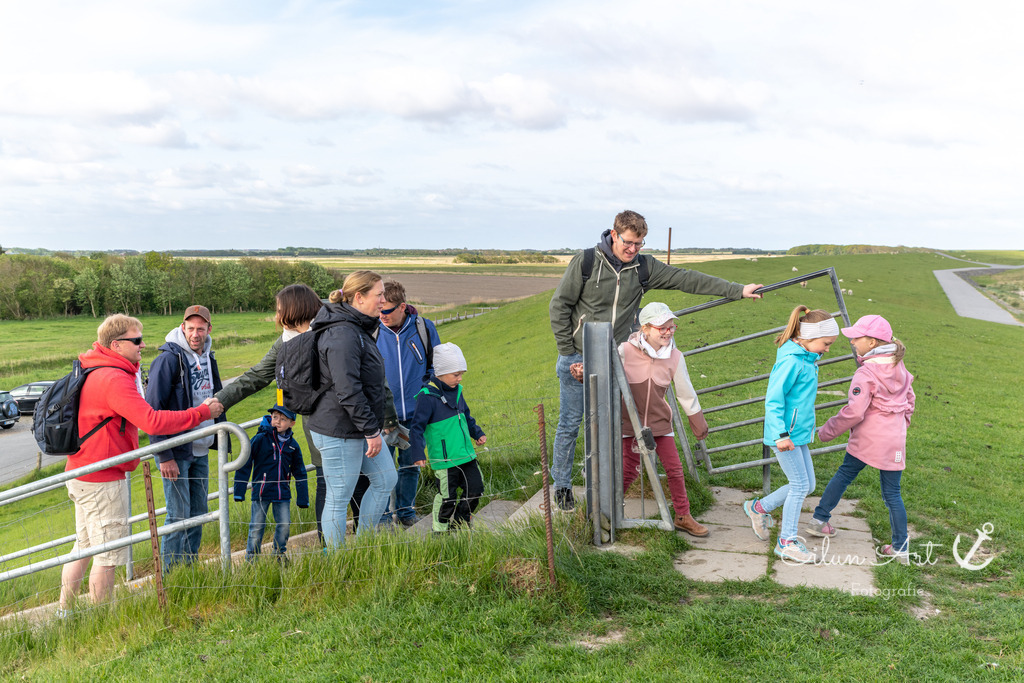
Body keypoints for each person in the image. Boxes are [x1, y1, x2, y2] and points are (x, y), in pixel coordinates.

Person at [548, 209, 763, 511]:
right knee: (570, 423)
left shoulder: (643, 268)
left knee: (608, 424)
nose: (633, 249)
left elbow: (686, 279)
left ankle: (600, 484)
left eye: (640, 244)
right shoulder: (586, 262)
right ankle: (562, 486)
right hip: (577, 356)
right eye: (628, 243)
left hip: (614, 359)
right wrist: (568, 351)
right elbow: (559, 306)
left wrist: (737, 291)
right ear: (614, 235)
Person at [60, 314, 221, 614]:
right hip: (102, 478)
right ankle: (101, 619)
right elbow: (152, 419)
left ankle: (65, 612)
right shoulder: (112, 378)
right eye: (136, 340)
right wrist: (200, 412)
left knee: (84, 547)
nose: (143, 345)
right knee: (107, 554)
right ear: (116, 344)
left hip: (83, 471)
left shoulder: (95, 367)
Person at [211, 284, 329, 541]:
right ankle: (328, 545)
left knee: (359, 478)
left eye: (279, 310)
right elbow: (259, 374)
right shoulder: (285, 341)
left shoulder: (330, 331)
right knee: (324, 480)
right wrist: (222, 400)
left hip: (344, 417)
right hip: (314, 421)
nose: (276, 317)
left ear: (294, 309)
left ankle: (367, 536)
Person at [809, 315, 916, 560]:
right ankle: (900, 547)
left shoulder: (865, 373)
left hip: (867, 438)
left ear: (872, 342)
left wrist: (827, 431)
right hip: (894, 442)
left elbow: (854, 411)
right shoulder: (899, 366)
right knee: (892, 493)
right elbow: (910, 400)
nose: (853, 341)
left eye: (857, 337)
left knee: (845, 473)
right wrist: (901, 424)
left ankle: (819, 519)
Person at [307, 271, 398, 548]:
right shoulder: (342, 333)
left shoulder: (357, 326)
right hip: (339, 429)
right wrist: (371, 430)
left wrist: (370, 426)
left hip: (358, 426)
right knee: (339, 496)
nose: (383, 300)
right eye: (378, 295)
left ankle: (363, 545)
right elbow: (348, 389)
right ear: (359, 297)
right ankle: (337, 560)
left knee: (386, 478)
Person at [743, 306, 838, 564]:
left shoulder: (807, 358)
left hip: (797, 434)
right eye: (826, 343)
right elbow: (774, 401)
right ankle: (786, 542)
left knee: (809, 485)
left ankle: (757, 508)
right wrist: (781, 434)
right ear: (808, 338)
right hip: (784, 436)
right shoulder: (792, 361)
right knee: (799, 486)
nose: (828, 349)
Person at [618, 302, 710, 537]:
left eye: (672, 327)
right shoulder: (625, 351)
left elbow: (685, 391)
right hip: (630, 423)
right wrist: (582, 376)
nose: (669, 332)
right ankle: (610, 511)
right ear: (646, 328)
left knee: (675, 469)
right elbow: (607, 379)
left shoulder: (675, 357)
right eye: (663, 328)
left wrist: (697, 420)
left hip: (660, 424)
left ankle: (683, 515)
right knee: (629, 469)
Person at [145, 304, 225, 573]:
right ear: (182, 328)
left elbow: (216, 395)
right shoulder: (169, 359)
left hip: (201, 447)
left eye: (200, 328)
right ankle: (170, 575)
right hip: (177, 451)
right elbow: (152, 409)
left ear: (208, 330)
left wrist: (221, 434)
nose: (195, 333)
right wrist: (163, 454)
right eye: (190, 328)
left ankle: (190, 570)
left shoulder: (209, 356)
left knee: (199, 514)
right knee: (178, 515)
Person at [372, 279, 441, 527]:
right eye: (379, 310)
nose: (382, 315)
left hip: (415, 413)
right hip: (382, 415)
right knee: (381, 470)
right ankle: (380, 520)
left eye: (387, 311)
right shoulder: (373, 330)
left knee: (411, 466)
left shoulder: (424, 328)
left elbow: (437, 364)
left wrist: (425, 389)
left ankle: (406, 513)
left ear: (402, 306)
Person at [407, 343, 487, 533]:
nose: (459, 379)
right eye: (455, 374)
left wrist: (477, 432)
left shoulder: (458, 391)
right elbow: (416, 428)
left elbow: (466, 416)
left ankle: (459, 522)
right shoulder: (427, 397)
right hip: (444, 460)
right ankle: (440, 530)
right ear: (441, 372)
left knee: (476, 489)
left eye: (461, 374)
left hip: (466, 455)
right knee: (447, 497)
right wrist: (418, 453)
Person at [234, 405, 309, 561]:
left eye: (283, 419)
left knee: (284, 524)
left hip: (283, 493)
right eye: (275, 417)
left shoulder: (292, 445)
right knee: (256, 526)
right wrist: (239, 491)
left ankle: (278, 554)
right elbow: (245, 463)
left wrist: (302, 498)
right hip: (261, 492)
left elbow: (300, 471)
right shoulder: (260, 439)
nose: (278, 422)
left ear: (292, 423)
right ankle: (252, 558)